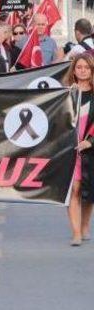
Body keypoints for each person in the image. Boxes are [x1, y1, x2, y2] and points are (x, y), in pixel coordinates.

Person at [63, 53, 94, 246]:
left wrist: (90, 141)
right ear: (73, 70)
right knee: (73, 189)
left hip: (90, 149)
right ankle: (75, 232)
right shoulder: (66, 93)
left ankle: (84, 226)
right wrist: (69, 96)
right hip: (71, 149)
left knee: (88, 191)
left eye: (86, 67)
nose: (82, 70)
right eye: (79, 67)